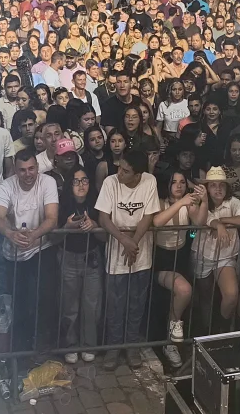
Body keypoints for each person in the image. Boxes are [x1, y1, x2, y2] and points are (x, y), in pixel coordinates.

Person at [94, 148, 159, 370]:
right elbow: (103, 218)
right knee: (115, 305)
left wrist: (134, 242)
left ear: (138, 174)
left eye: (125, 171)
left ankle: (132, 346)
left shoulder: (149, 181)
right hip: (116, 252)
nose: (119, 173)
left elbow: (148, 215)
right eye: (119, 168)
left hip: (141, 253)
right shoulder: (110, 182)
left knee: (136, 303)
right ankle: (113, 347)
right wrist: (124, 240)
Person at [0, 149, 59, 356]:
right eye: (22, 170)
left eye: (31, 169)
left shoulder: (47, 182)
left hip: (42, 248)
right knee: (19, 303)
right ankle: (20, 352)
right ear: (15, 170)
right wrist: (10, 234)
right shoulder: (6, 185)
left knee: (45, 299)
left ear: (37, 167)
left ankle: (43, 347)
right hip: (13, 253)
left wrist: (34, 235)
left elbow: (52, 218)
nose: (28, 174)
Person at [190, 166, 240, 330]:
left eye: (221, 185)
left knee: (231, 295)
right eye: (213, 185)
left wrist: (222, 222)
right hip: (202, 254)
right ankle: (206, 332)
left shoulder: (233, 202)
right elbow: (204, 220)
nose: (218, 189)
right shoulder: (199, 202)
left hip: (225, 256)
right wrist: (217, 224)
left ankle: (221, 330)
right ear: (207, 188)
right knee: (205, 297)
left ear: (227, 187)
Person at [54, 167, 105, 365]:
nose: (81, 185)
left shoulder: (97, 203)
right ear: (70, 185)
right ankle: (70, 345)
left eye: (85, 180)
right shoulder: (62, 204)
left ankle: (89, 345)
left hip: (92, 258)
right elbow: (53, 238)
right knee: (69, 306)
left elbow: (105, 237)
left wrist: (94, 226)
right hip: (68, 257)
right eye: (76, 181)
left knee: (92, 305)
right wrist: (67, 227)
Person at [151, 169, 200, 368]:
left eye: (182, 182)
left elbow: (200, 222)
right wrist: (180, 203)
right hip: (161, 259)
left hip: (181, 258)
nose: (179, 186)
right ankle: (170, 340)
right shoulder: (159, 202)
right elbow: (157, 221)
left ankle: (171, 342)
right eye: (174, 182)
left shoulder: (189, 203)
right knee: (184, 290)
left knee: (184, 294)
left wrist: (203, 201)